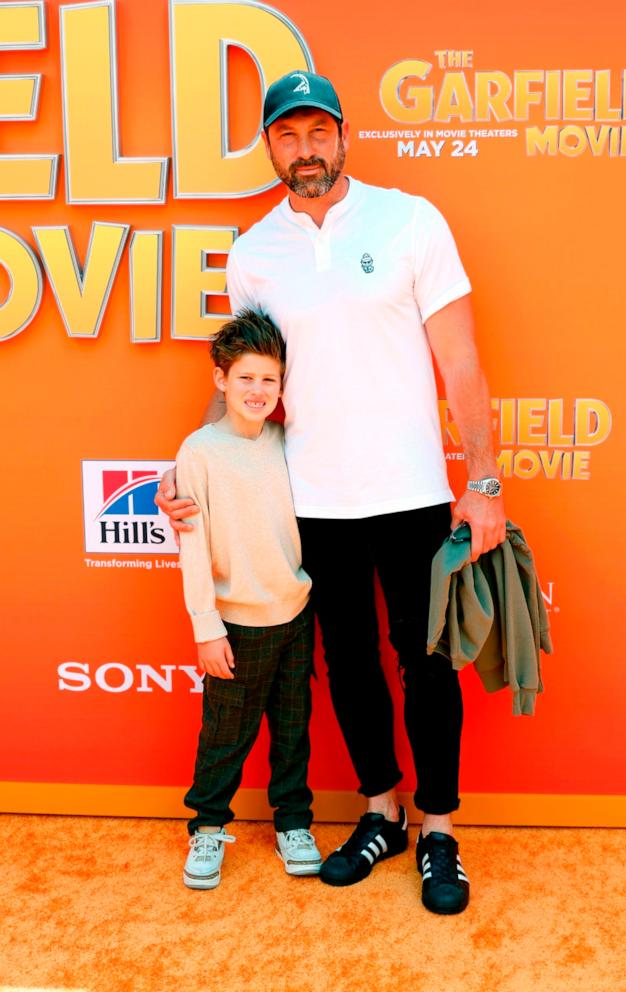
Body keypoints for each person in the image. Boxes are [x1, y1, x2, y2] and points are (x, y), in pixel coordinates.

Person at [157, 70, 505, 914]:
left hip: (414, 490)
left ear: (343, 135)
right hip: (308, 499)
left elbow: (457, 361)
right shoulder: (255, 251)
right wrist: (194, 464)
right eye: (287, 135)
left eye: (318, 133)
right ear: (269, 145)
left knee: (424, 667)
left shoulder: (409, 220)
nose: (304, 150)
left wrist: (483, 482)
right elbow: (245, 380)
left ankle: (439, 830)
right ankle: (380, 812)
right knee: (347, 664)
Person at [176, 308, 322, 890]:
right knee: (225, 734)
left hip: (295, 613)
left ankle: (294, 823)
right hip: (235, 624)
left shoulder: (289, 441)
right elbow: (191, 546)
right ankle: (208, 828)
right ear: (220, 380)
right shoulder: (199, 452)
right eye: (245, 378)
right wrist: (205, 625)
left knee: (293, 731)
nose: (258, 391)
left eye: (269, 379)